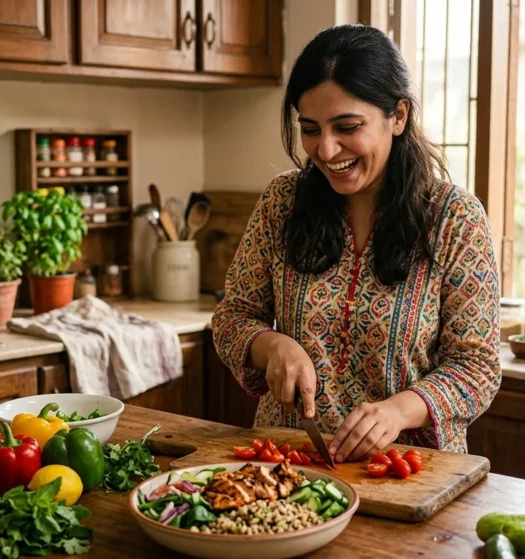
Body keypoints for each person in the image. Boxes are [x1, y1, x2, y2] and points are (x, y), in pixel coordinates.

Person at [210, 24, 501, 462]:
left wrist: (400, 411)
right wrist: (272, 345)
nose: (326, 150)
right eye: (310, 129)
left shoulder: (454, 218)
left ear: (398, 116)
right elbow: (232, 317)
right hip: (287, 463)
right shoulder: (282, 202)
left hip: (405, 471)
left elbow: (477, 368)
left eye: (347, 126)